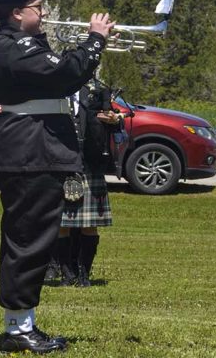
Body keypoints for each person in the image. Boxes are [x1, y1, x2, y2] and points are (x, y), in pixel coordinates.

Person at [0, 0, 112, 353]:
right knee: (28, 238)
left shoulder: (25, 43)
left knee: (33, 238)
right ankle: (19, 329)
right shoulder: (15, 44)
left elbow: (64, 72)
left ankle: (21, 324)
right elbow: (64, 74)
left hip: (35, 148)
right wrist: (95, 40)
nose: (45, 13)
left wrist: (92, 48)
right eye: (39, 8)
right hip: (29, 150)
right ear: (18, 12)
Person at [56, 78, 121, 287]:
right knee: (61, 225)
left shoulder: (97, 91)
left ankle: (84, 273)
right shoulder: (54, 91)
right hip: (61, 163)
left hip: (91, 164)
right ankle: (67, 273)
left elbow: (115, 121)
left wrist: (114, 119)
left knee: (90, 225)